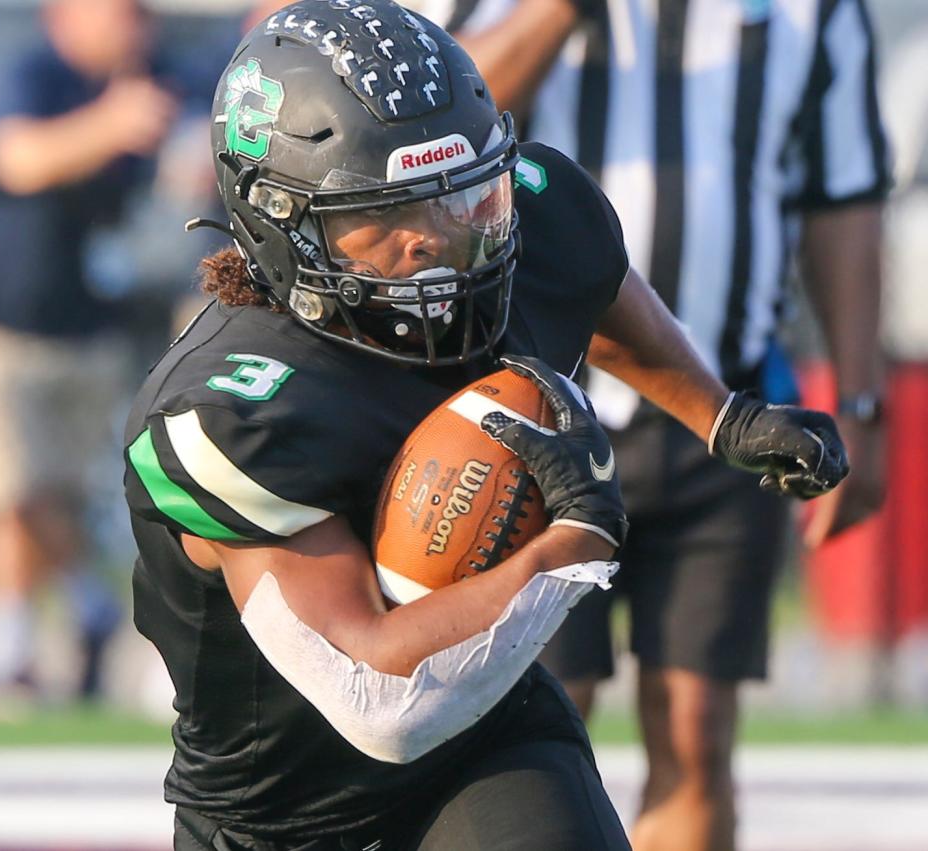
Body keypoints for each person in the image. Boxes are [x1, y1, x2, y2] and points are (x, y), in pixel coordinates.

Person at [124, 2, 847, 847]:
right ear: (284, 220)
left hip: (484, 746)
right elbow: (379, 702)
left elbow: (588, 273)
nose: (438, 238)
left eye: (464, 195)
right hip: (282, 812)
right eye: (387, 212)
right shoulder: (233, 407)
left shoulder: (519, 225)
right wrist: (572, 545)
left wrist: (720, 415)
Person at [425, 0, 890, 847]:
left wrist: (861, 400)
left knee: (696, 730)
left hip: (727, 408)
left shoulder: (815, 12)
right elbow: (429, 132)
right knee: (520, 730)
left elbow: (843, 196)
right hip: (529, 411)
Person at [0, 0, 177, 697]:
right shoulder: (35, 72)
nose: (132, 23)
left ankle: (62, 617)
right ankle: (23, 629)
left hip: (94, 332)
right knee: (11, 488)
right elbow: (16, 158)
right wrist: (110, 126)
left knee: (62, 491)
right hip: (1, 323)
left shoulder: (161, 76)